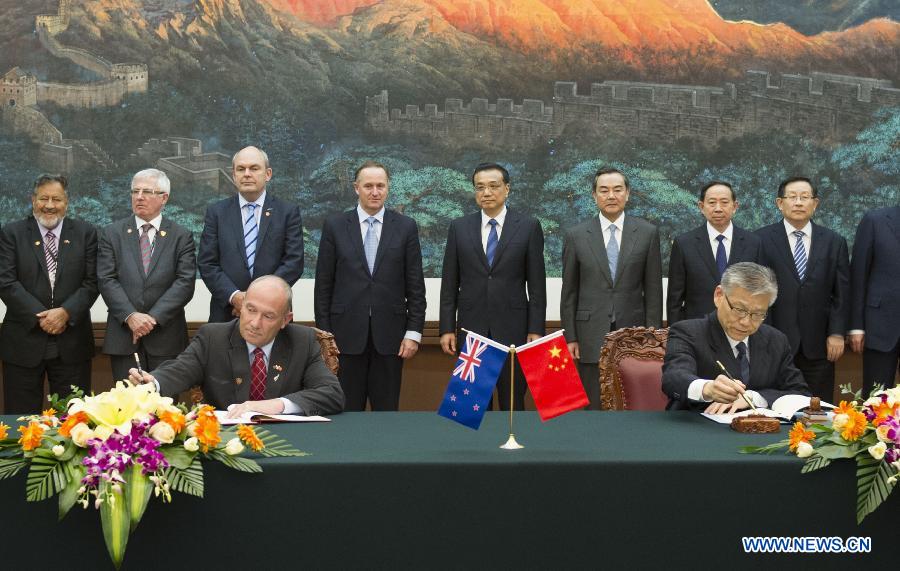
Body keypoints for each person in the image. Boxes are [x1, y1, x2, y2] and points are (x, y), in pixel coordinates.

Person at [129, 275, 343, 417]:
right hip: (227, 443)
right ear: (241, 307)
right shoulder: (213, 337)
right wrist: (153, 382)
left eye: (268, 316)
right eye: (250, 310)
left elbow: (332, 394)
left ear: (286, 320)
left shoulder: (302, 340)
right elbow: (181, 370)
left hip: (290, 442)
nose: (254, 323)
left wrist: (276, 405)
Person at [314, 161, 426, 411]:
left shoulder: (406, 226)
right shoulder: (335, 226)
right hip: (344, 338)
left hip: (392, 339)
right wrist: (325, 338)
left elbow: (415, 285)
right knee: (346, 411)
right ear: (356, 188)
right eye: (368, 186)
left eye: (380, 186)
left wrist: (414, 333)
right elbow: (323, 286)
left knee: (386, 413)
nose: (375, 192)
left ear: (387, 188)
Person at [439, 162, 546, 411]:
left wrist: (536, 329)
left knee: (512, 401)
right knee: (472, 404)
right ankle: (478, 450)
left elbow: (537, 285)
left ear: (507, 189)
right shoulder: (459, 227)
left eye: (493, 186)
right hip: (472, 329)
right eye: (480, 187)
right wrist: (446, 328)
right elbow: (449, 283)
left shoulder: (528, 226)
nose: (486, 192)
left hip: (515, 330)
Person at [560, 167, 663, 409]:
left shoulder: (647, 233)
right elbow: (569, 292)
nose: (611, 196)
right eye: (603, 190)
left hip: (635, 333)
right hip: (589, 333)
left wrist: (652, 335)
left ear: (627, 194)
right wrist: (571, 336)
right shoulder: (576, 235)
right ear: (594, 196)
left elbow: (654, 290)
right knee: (593, 403)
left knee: (632, 400)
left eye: (617, 190)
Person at [0, 174, 98, 413]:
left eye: (57, 199)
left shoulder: (86, 233)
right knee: (21, 424)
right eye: (44, 198)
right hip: (23, 343)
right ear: (33, 200)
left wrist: (65, 313)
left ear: (67, 202)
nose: (50, 205)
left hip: (72, 344)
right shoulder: (12, 233)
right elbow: (6, 281)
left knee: (73, 423)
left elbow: (93, 281)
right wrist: (43, 317)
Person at [662, 262, 810, 413]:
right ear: (719, 296)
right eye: (739, 309)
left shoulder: (776, 340)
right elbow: (673, 378)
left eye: (758, 314)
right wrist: (707, 388)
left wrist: (753, 398)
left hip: (758, 432)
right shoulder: (688, 332)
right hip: (698, 427)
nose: (746, 322)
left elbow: (800, 393)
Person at [97, 169, 197, 382]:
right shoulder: (112, 233)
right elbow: (106, 279)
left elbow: (185, 282)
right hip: (124, 337)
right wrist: (131, 316)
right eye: (135, 191)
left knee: (165, 410)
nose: (139, 196)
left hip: (166, 337)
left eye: (147, 191)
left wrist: (152, 319)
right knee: (125, 410)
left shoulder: (181, 236)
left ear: (164, 198)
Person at [756, 177, 849, 400]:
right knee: (774, 405)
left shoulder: (834, 241)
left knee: (818, 408)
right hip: (774, 341)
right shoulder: (760, 239)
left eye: (805, 197)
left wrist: (836, 333)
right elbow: (756, 293)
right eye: (792, 197)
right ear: (780, 203)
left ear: (814, 203)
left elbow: (842, 293)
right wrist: (761, 336)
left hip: (818, 344)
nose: (798, 203)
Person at [198, 146, 303, 322]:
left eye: (254, 168)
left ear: (268, 174)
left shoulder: (287, 212)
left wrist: (257, 299)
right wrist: (235, 297)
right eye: (241, 169)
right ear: (233, 175)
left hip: (272, 312)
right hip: (226, 313)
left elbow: (293, 262)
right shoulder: (216, 213)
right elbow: (207, 263)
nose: (247, 174)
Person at [667, 181, 762, 324]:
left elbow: (759, 292)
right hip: (697, 329)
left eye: (724, 202)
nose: (718, 208)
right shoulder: (684, 243)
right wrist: (676, 334)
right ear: (701, 206)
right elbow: (675, 299)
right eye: (712, 203)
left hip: (741, 326)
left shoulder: (753, 243)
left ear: (735, 206)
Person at [849, 206, 900, 394]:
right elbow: (858, 275)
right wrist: (856, 325)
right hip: (880, 325)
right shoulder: (875, 220)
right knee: (876, 398)